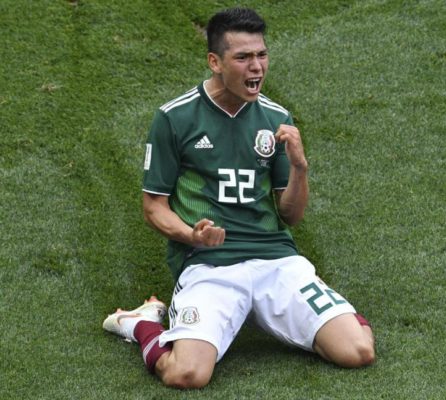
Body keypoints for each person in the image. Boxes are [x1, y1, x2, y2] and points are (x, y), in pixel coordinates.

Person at [102, 7, 375, 389]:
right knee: (186, 374)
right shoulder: (174, 118)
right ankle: (142, 323)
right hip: (209, 265)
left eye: (262, 55)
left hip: (275, 261)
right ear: (215, 62)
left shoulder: (276, 118)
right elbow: (153, 207)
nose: (257, 67)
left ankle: (323, 313)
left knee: (358, 351)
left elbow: (291, 216)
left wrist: (299, 168)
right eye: (243, 57)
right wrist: (192, 236)